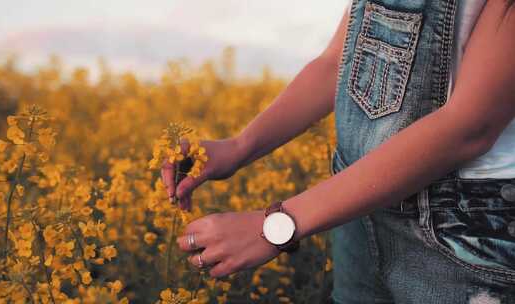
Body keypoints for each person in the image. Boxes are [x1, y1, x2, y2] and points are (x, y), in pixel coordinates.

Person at [163, 0, 515, 302]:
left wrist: (276, 225)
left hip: (461, 236)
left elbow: (470, 126)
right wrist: (239, 147)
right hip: (356, 211)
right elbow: (338, 63)